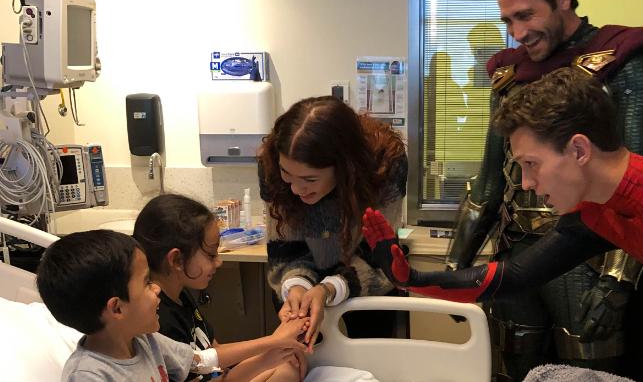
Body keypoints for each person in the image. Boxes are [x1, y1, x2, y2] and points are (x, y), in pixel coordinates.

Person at [364, 67, 643, 382]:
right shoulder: (599, 210)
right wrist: (409, 275)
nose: (527, 183)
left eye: (531, 165)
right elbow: (515, 275)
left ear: (578, 149)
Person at [443, 0, 643, 380]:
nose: (517, 33)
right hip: (515, 254)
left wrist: (616, 282)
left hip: (590, 258)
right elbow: (490, 183)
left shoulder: (624, 64)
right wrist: (453, 272)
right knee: (511, 369)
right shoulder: (509, 76)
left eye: (526, 15)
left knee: (589, 373)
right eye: (508, 21)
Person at [257, 96, 408, 352]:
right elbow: (286, 249)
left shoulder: (385, 164)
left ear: (344, 167)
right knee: (305, 360)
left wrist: (329, 288)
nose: (295, 189)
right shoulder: (271, 164)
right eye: (287, 175)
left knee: (369, 362)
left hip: (367, 285)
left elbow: (378, 255)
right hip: (302, 288)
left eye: (309, 179)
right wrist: (296, 287)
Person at [132, 193, 309, 382]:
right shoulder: (158, 320)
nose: (219, 262)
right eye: (210, 255)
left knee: (291, 363)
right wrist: (272, 347)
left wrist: (276, 346)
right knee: (287, 368)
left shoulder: (179, 294)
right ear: (176, 260)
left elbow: (215, 357)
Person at [37, 230, 219, 381]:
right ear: (117, 308)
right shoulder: (89, 376)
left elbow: (200, 361)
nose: (156, 288)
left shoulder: (144, 340)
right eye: (147, 282)